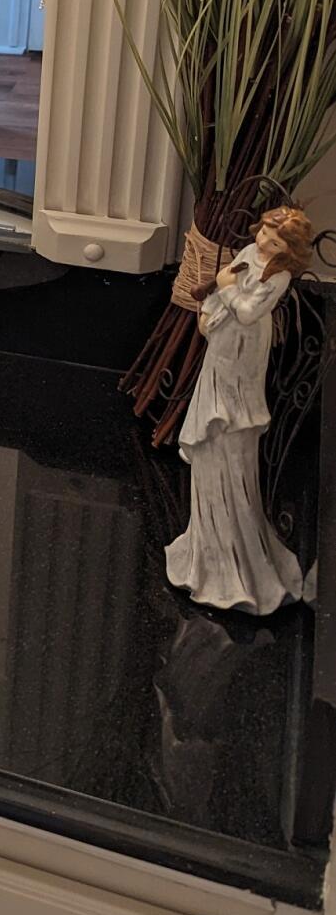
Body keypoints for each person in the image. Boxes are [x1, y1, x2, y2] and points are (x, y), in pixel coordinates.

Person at [165, 206, 315, 613]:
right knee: (211, 438)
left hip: (244, 354)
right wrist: (211, 308)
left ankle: (234, 556)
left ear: (289, 250)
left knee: (228, 431)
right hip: (223, 343)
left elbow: (249, 311)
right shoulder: (249, 251)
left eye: (276, 240)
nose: (266, 242)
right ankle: (205, 545)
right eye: (266, 233)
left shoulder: (278, 276)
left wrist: (225, 288)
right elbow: (221, 293)